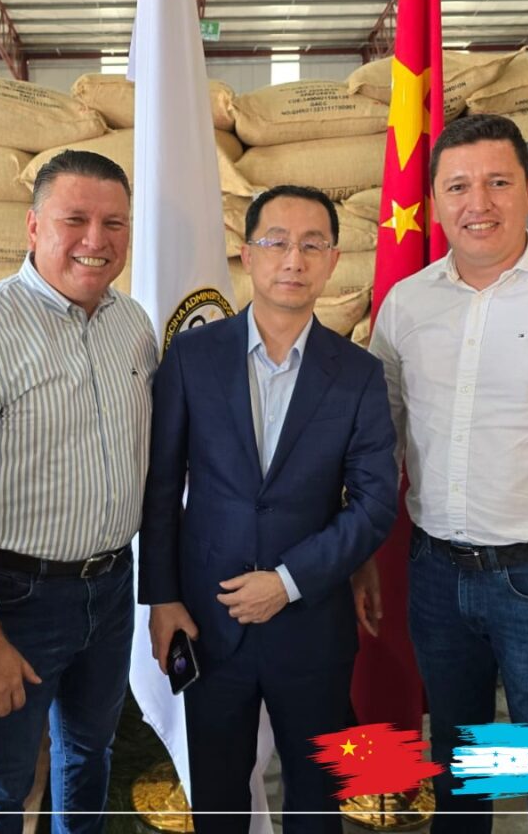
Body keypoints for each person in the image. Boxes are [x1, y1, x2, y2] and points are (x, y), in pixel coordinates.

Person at [370, 113, 528, 833]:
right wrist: (356, 557)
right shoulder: (406, 305)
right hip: (437, 580)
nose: (479, 203)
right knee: (461, 775)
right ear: (434, 201)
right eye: (458, 186)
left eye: (499, 182)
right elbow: (378, 447)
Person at [0, 149, 158, 834]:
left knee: (90, 753)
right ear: (32, 226)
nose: (95, 240)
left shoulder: (133, 325)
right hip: (16, 600)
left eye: (114, 223)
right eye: (74, 219)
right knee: (3, 783)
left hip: (111, 585)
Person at [138, 184, 398, 834]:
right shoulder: (193, 358)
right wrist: (162, 598)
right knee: (219, 800)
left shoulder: (358, 374)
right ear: (248, 254)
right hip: (209, 619)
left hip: (312, 625)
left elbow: (373, 504)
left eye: (312, 245)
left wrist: (286, 582)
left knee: (315, 801)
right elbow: (161, 487)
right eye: (276, 242)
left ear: (332, 260)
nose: (293, 259)